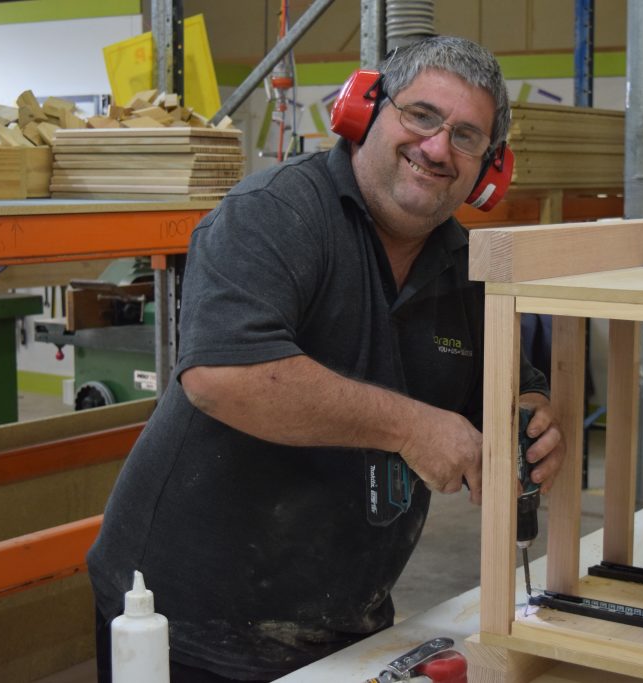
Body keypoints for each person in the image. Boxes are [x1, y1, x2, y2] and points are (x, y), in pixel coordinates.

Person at [86, 35, 565, 682]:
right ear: (363, 110)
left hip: (347, 624)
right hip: (189, 623)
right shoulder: (275, 215)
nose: (436, 148)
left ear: (489, 170)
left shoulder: (468, 271)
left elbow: (512, 391)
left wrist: (531, 421)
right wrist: (413, 427)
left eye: (466, 136)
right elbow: (223, 376)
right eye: (421, 115)